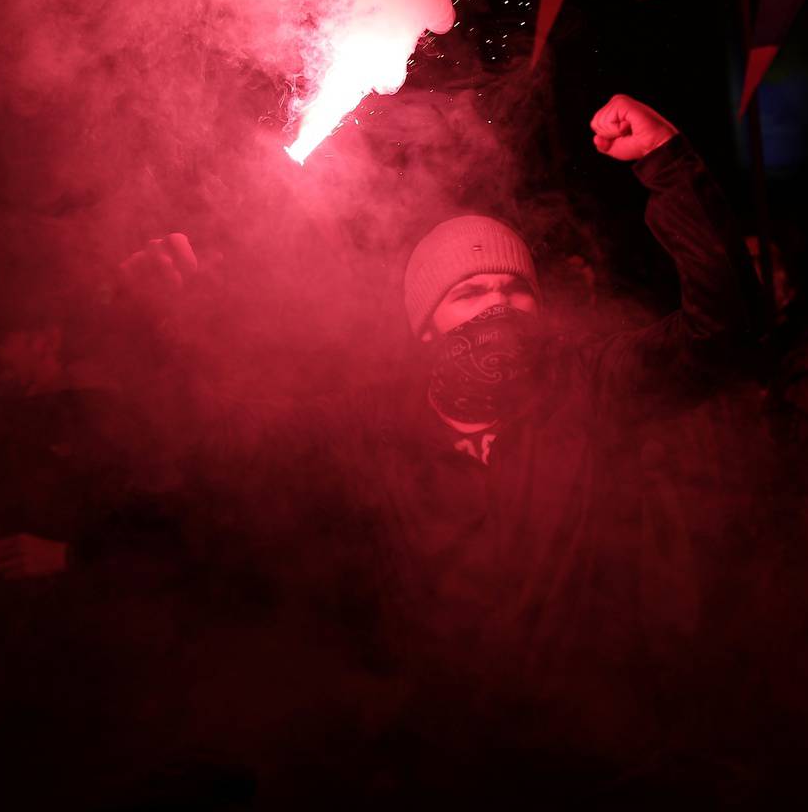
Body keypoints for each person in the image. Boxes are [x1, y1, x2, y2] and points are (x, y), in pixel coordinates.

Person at [116, 93, 764, 797]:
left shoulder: (589, 388)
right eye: (469, 292)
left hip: (598, 763)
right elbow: (220, 435)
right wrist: (162, 330)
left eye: (515, 289)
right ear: (424, 329)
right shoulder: (368, 428)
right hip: (435, 770)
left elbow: (722, 330)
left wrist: (670, 165)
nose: (497, 304)